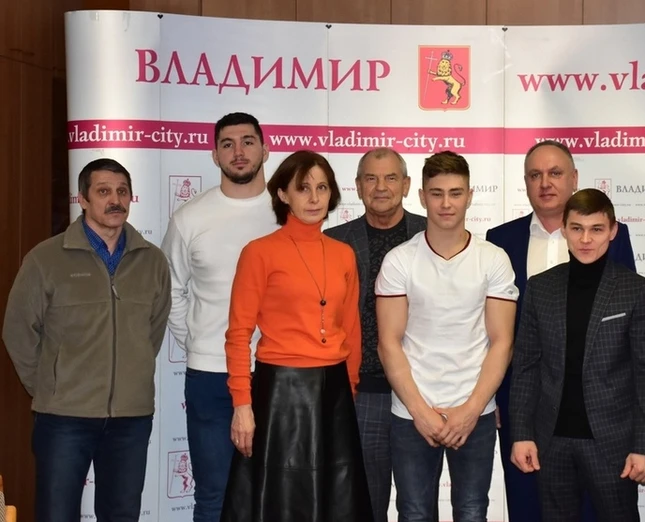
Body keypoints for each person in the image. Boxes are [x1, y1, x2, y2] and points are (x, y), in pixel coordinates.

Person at [3, 158, 172, 522]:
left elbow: (153, 331)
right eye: (104, 191)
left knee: (122, 514)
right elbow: (17, 330)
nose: (115, 200)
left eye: (122, 191)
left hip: (131, 417)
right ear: (82, 199)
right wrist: (49, 386)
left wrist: (131, 374)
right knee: (57, 514)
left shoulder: (153, 261)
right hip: (64, 418)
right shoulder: (46, 260)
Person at [485, 140, 635, 522]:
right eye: (535, 175)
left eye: (555, 173)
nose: (545, 183)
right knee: (528, 506)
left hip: (598, 409)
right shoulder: (500, 240)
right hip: (524, 401)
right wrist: (494, 394)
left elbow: (627, 324)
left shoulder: (613, 236)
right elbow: (491, 327)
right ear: (525, 182)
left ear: (574, 178)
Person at [219, 150, 373, 522]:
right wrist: (242, 405)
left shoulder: (343, 254)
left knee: (336, 503)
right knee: (281, 503)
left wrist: (350, 386)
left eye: (322, 188)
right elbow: (238, 334)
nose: (314, 198)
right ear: (283, 194)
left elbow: (350, 328)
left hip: (334, 391)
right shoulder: (259, 253)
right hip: (279, 394)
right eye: (303, 188)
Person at [509, 188, 645, 522]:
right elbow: (526, 367)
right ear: (564, 229)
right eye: (577, 228)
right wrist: (521, 433)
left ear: (612, 231)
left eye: (596, 229)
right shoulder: (540, 288)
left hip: (613, 443)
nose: (585, 239)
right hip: (551, 442)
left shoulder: (638, 291)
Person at [376, 151, 518, 522]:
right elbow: (388, 342)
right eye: (436, 193)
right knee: (414, 513)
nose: (446, 203)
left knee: (472, 512)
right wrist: (420, 412)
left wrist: (471, 411)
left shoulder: (493, 259)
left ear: (469, 196)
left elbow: (502, 342)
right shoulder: (399, 260)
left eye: (455, 193)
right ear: (422, 197)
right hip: (411, 413)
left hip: (475, 412)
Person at [160, 112, 278, 522]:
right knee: (213, 497)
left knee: (274, 495)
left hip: (277, 371)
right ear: (214, 155)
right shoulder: (190, 217)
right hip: (211, 376)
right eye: (227, 144)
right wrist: (197, 342)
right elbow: (171, 289)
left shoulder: (288, 213)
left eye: (248, 141)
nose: (238, 151)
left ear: (265, 149)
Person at [325, 147, 428, 522]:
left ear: (406, 185)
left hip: (424, 393)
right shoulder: (334, 241)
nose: (380, 187)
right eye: (371, 178)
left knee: (419, 508)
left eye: (390, 178)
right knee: (365, 505)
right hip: (362, 393)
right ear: (357, 186)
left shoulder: (433, 234)